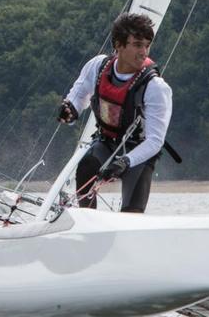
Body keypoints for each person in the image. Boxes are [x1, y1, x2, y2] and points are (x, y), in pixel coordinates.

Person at [57, 13, 173, 213]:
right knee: (86, 166)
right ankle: (87, 224)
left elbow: (155, 141)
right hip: (105, 144)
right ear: (118, 45)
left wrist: (125, 161)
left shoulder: (156, 87)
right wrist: (69, 111)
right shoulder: (97, 66)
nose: (144, 52)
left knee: (131, 215)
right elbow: (77, 98)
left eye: (147, 45)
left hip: (138, 154)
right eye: (137, 45)